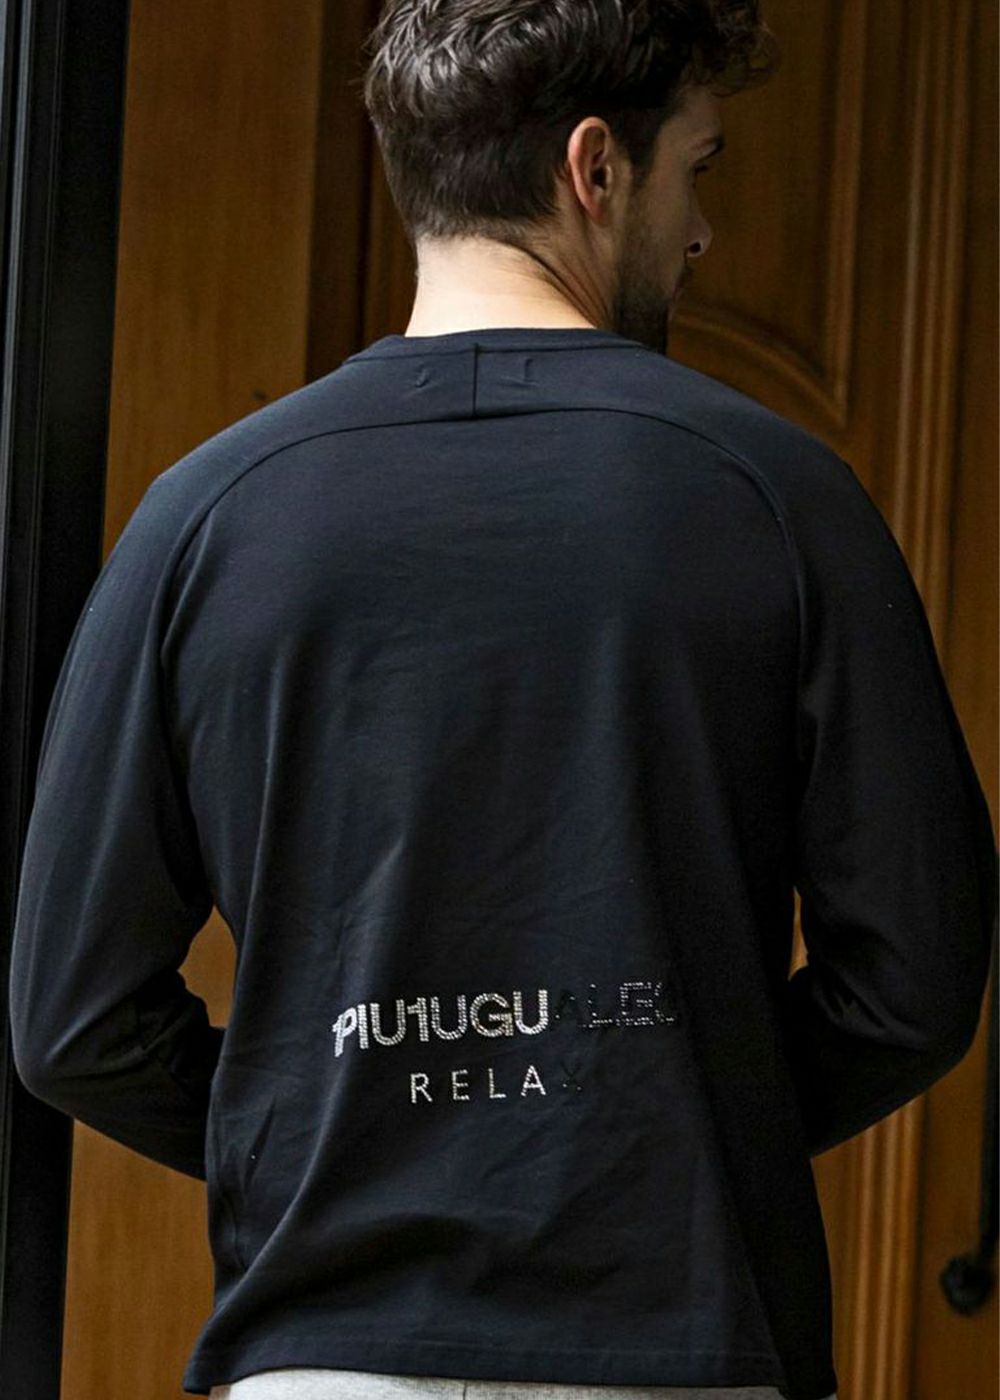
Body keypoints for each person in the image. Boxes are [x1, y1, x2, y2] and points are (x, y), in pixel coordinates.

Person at [7, 1, 996, 1398]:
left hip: (326, 1361)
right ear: (596, 168)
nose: (701, 232)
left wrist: (339, 1141)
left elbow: (75, 1022)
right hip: (678, 1347)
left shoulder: (204, 517)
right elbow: (915, 982)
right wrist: (667, 1130)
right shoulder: (781, 498)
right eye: (696, 169)